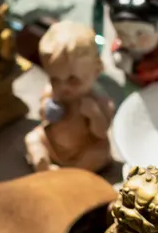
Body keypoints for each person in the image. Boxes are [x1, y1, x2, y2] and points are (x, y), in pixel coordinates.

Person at [25, 21, 114, 172]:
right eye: (54, 80)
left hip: (83, 150)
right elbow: (42, 117)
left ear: (97, 70)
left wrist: (95, 116)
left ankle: (74, 172)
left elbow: (101, 133)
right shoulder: (51, 93)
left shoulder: (98, 100)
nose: (62, 87)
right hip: (52, 144)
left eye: (73, 80)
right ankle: (44, 163)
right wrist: (46, 109)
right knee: (32, 139)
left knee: (99, 153)